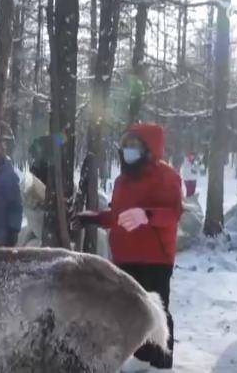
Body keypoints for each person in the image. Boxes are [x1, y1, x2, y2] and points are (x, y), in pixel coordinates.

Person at [74, 123, 181, 372]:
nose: (128, 150)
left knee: (156, 310)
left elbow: (172, 214)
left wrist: (147, 215)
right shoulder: (123, 180)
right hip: (125, 257)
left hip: (154, 258)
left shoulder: (166, 177)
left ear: (149, 148)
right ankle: (142, 356)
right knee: (134, 309)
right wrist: (95, 218)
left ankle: (161, 362)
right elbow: (119, 216)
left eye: (134, 145)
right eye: (125, 145)